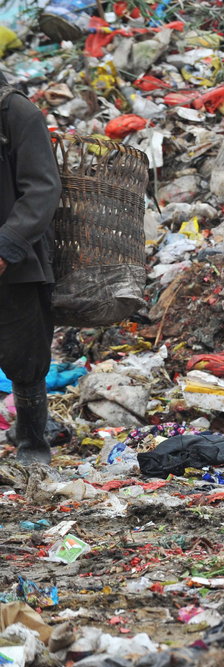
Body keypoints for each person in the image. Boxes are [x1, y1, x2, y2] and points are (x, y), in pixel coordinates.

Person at [0, 71, 62, 464]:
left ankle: (32, 447)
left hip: (15, 263)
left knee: (26, 358)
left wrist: (6, 247)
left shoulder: (16, 113)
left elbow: (42, 187)